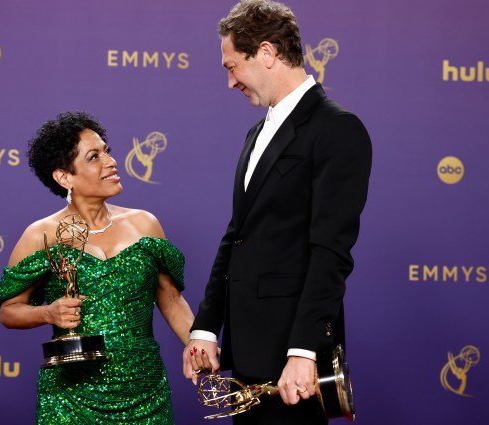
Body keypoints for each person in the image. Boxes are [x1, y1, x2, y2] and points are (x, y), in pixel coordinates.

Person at [183, 1, 372, 424]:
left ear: (266, 53)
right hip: (247, 357)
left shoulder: (337, 128)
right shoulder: (257, 131)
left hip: (292, 360)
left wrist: (304, 350)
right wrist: (205, 328)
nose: (230, 82)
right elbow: (238, 235)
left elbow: (331, 252)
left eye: (233, 67)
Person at [0, 111, 194, 424]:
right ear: (64, 177)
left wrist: (198, 344)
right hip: (71, 399)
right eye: (93, 157)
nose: (110, 161)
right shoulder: (40, 235)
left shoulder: (144, 223)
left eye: (107, 151)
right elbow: (9, 310)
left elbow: (170, 299)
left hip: (145, 393)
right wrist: (47, 313)